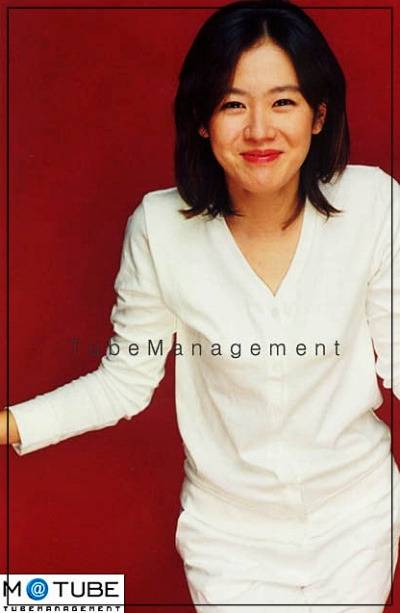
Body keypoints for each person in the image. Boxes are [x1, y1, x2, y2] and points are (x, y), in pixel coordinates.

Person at [1, 0, 399, 610]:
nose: (260, 130)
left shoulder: (373, 205)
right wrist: (8, 425)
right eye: (234, 104)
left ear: (319, 115)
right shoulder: (160, 228)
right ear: (202, 120)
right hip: (229, 535)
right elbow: (123, 382)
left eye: (284, 102)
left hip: (357, 517)